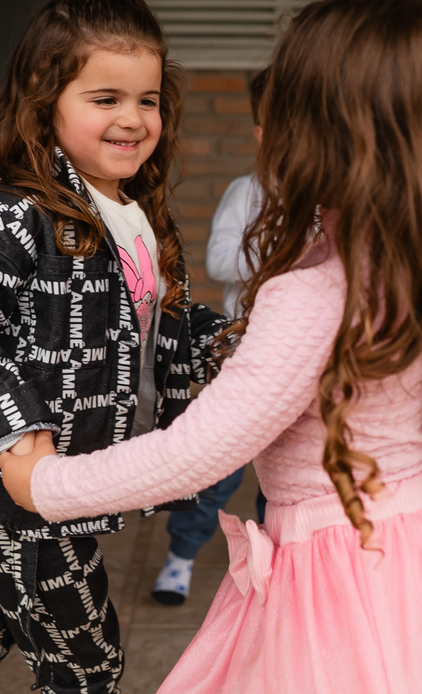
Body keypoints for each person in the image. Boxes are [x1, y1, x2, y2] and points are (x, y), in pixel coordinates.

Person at [0, 0, 422, 694]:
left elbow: (201, 450)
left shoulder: (318, 291)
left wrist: (46, 484)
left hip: (347, 573)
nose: (264, 131)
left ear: (338, 136)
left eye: (285, 107)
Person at [0, 0, 229, 694]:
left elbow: (146, 330)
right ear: (44, 104)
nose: (132, 118)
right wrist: (13, 426)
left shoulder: (135, 213)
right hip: (10, 490)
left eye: (147, 99)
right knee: (86, 664)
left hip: (54, 489)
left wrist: (233, 340)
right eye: (105, 99)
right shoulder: (14, 212)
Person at [152, 67, 268, 606]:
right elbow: (221, 258)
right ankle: (182, 555)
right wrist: (289, 256)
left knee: (286, 484)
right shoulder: (247, 192)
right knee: (218, 471)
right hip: (244, 361)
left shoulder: (336, 201)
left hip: (312, 367)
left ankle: (283, 569)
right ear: (259, 131)